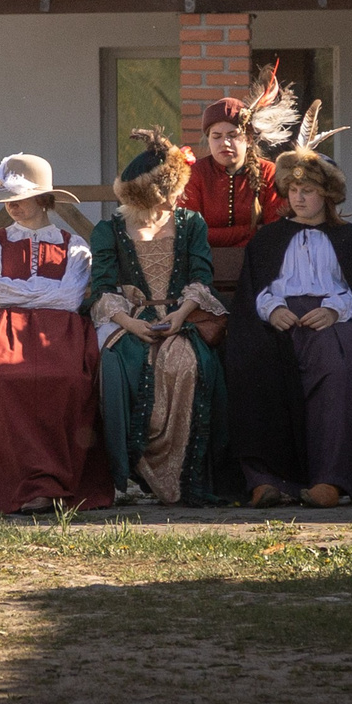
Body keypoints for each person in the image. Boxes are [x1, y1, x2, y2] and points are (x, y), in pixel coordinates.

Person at [227, 102, 352, 508]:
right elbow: (254, 288)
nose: (299, 197)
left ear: (327, 194)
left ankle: (331, 480)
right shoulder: (268, 239)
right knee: (254, 361)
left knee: (337, 366)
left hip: (333, 320)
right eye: (293, 190)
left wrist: (334, 310)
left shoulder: (350, 238)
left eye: (308, 190)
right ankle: (265, 480)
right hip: (279, 319)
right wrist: (271, 308)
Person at [0, 154, 113, 514]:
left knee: (68, 379)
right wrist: (39, 291)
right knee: (0, 377)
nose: (13, 206)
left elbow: (70, 297)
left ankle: (53, 482)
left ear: (44, 198)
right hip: (3, 331)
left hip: (59, 333)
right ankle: (17, 482)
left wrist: (20, 289)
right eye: (7, 199)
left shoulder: (74, 245)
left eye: (20, 197)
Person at [85, 129, 229, 506]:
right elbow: (101, 289)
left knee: (186, 363)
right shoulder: (109, 230)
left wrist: (181, 316)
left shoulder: (191, 224)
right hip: (129, 320)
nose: (175, 200)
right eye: (168, 195)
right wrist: (131, 323)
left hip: (181, 317)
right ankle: (131, 474)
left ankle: (182, 476)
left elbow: (200, 278)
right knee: (119, 364)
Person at [180, 71, 288, 248]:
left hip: (258, 263)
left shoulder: (269, 172)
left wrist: (213, 234)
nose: (225, 142)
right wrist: (250, 231)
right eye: (216, 136)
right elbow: (190, 232)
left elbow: (274, 231)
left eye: (233, 135)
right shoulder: (196, 173)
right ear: (208, 140)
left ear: (249, 138)